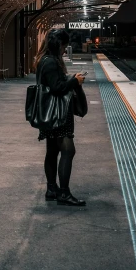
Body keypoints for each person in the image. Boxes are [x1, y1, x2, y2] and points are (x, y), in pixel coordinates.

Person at [34, 28, 86, 207]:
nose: (65, 49)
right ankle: (63, 193)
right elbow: (57, 88)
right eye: (64, 46)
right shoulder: (50, 62)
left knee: (52, 151)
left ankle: (51, 189)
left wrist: (69, 78)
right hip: (57, 114)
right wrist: (74, 81)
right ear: (59, 44)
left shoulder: (45, 60)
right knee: (68, 150)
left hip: (49, 113)